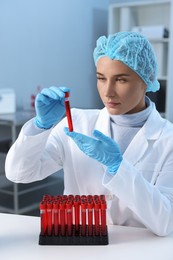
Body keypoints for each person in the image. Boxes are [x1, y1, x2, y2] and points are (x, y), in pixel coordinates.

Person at [5, 31, 173, 236]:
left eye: (120, 80)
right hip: (77, 244)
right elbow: (19, 173)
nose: (108, 91)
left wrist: (118, 168)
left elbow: (165, 222)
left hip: (136, 250)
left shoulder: (168, 139)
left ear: (146, 80)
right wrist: (41, 126)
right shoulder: (75, 123)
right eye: (101, 78)